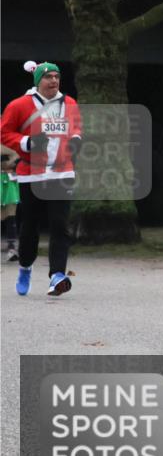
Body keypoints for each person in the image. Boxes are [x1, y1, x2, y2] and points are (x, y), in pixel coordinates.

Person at [0, 61, 82, 296]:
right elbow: (4, 132)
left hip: (62, 172)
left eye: (56, 77)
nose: (54, 81)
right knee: (30, 228)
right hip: (31, 175)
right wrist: (27, 142)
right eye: (48, 77)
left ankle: (57, 276)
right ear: (38, 81)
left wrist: (76, 139)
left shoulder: (69, 103)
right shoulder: (19, 105)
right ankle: (25, 267)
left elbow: (76, 127)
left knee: (59, 225)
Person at [1, 139, 19, 261]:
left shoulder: (12, 139)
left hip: (9, 181)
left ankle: (12, 248)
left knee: (10, 215)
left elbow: (18, 158)